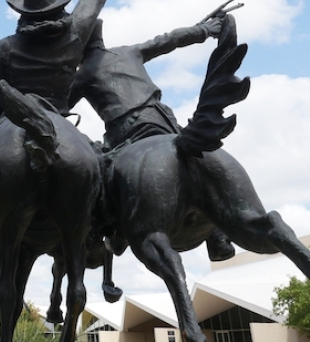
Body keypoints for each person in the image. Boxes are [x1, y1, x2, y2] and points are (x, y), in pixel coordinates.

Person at [68, 16, 237, 261]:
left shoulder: (81, 76)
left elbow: (58, 108)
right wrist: (204, 29)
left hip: (127, 133)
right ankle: (218, 235)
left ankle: (114, 227)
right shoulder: (129, 52)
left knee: (102, 176)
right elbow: (169, 40)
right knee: (198, 156)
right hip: (165, 120)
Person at [0, 0, 124, 122]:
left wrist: (2, 121)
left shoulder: (7, 46)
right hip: (58, 116)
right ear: (59, 7)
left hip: (14, 118)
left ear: (24, 13)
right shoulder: (75, 33)